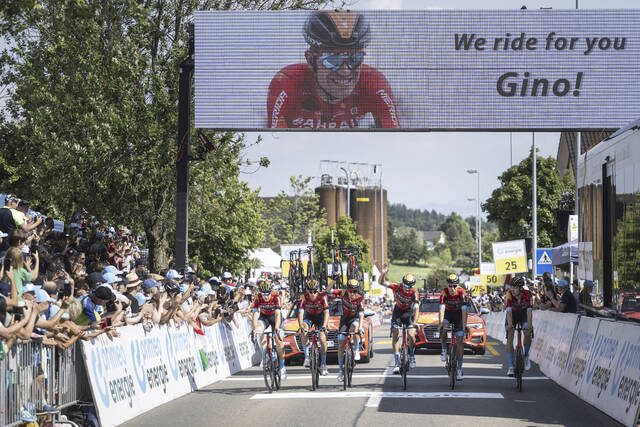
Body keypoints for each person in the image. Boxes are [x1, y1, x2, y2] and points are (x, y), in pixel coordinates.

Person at [267, 10, 400, 129]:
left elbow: (395, 141)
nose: (345, 71)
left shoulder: (373, 83)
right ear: (310, 60)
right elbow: (273, 142)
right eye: (332, 60)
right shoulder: (287, 83)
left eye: (355, 58)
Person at [377, 271, 419, 373]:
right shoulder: (397, 287)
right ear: (402, 283)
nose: (407, 288)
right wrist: (383, 273)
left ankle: (412, 355)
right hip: (398, 312)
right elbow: (381, 282)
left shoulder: (414, 292)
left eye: (409, 286)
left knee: (411, 335)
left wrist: (414, 322)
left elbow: (417, 308)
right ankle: (396, 362)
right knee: (396, 332)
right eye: (405, 286)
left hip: (409, 313)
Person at [330, 278, 365, 382]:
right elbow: (328, 291)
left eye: (355, 291)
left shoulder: (359, 298)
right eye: (350, 291)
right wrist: (333, 281)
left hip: (354, 319)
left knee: (355, 326)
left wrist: (361, 327)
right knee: (341, 344)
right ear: (347, 290)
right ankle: (340, 370)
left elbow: (361, 314)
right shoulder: (343, 293)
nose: (352, 293)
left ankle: (356, 349)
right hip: (344, 320)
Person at [251, 280, 286, 380]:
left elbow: (278, 314)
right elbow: (255, 314)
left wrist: (277, 328)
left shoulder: (276, 296)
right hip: (264, 317)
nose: (265, 296)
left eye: (267, 294)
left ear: (271, 291)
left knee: (279, 341)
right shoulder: (258, 297)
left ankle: (282, 367)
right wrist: (254, 329)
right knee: (258, 331)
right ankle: (265, 354)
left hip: (275, 318)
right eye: (263, 294)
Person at [297, 279, 329, 376]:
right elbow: (300, 313)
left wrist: (324, 326)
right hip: (309, 316)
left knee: (323, 338)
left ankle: (323, 363)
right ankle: (307, 357)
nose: (312, 294)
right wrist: (301, 326)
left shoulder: (322, 297)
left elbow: (327, 313)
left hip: (320, 317)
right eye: (310, 291)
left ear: (317, 290)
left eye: (314, 291)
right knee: (304, 330)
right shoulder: (305, 297)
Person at [439, 273, 468, 381]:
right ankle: (444, 349)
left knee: (460, 341)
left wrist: (464, 327)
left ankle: (459, 369)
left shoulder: (462, 292)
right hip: (448, 314)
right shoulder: (444, 292)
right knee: (443, 327)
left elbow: (465, 312)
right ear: (447, 285)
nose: (452, 288)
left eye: (454, 285)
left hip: (459, 315)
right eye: (450, 285)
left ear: (458, 285)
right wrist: (441, 323)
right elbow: (441, 309)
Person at [505, 276, 533, 376]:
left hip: (523, 315)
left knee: (527, 332)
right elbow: (508, 311)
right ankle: (511, 366)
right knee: (510, 336)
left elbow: (529, 311)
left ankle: (526, 355)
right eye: (511, 287)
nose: (512, 289)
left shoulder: (527, 294)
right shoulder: (509, 294)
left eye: (515, 287)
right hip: (512, 315)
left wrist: (529, 325)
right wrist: (510, 325)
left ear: (521, 288)